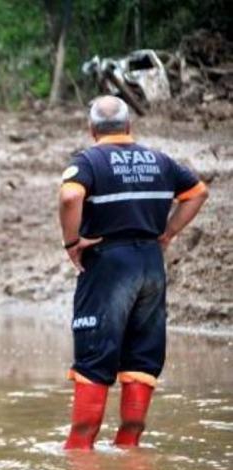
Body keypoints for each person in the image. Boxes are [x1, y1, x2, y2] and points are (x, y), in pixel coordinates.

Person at [58, 95, 208, 450]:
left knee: (94, 356)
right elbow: (198, 192)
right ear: (128, 126)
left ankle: (80, 454)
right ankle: (129, 449)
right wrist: (168, 233)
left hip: (108, 264)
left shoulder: (88, 161)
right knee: (142, 357)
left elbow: (69, 197)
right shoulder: (160, 159)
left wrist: (71, 242)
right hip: (151, 266)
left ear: (92, 129)